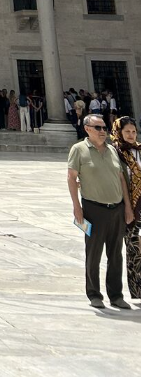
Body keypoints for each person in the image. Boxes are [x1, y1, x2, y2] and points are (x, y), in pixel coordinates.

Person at [67, 113, 134, 309]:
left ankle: (116, 295)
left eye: (104, 127)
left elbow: (121, 179)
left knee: (116, 254)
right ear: (87, 129)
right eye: (98, 128)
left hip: (116, 208)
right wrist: (77, 207)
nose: (103, 131)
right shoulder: (79, 149)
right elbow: (71, 178)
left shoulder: (112, 150)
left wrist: (127, 207)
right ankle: (94, 294)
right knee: (94, 253)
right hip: (93, 209)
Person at [111, 116, 141, 303]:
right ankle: (138, 290)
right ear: (119, 132)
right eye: (127, 131)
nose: (131, 135)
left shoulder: (140, 150)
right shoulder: (115, 152)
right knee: (134, 248)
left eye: (133, 131)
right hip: (129, 207)